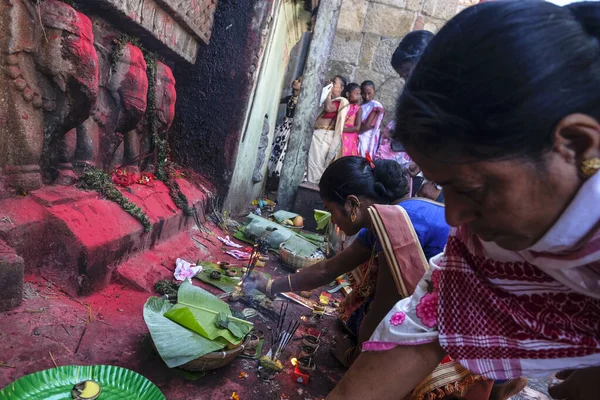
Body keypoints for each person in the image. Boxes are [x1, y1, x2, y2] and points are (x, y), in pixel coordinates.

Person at [327, 2, 600, 399]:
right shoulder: (483, 245)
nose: (454, 216)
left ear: (576, 145)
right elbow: (428, 322)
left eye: (471, 189)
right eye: (444, 187)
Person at [247, 157, 487, 399]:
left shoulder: (398, 223)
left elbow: (384, 310)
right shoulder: (386, 215)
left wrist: (355, 357)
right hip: (455, 305)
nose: (332, 221)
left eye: (331, 211)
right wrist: (270, 286)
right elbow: (327, 270)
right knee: (354, 318)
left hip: (475, 327)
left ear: (352, 204)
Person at [307, 75, 348, 183]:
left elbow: (328, 108)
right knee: (312, 162)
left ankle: (313, 185)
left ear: (341, 88)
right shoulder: (328, 99)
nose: (330, 83)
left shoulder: (342, 101)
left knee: (317, 163)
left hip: (324, 137)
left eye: (334, 82)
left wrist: (328, 94)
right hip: (318, 135)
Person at [267, 76, 302, 191]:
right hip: (283, 127)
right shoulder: (289, 98)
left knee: (284, 153)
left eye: (299, 81)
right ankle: (270, 179)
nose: (295, 81)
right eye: (296, 79)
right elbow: (276, 101)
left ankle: (278, 182)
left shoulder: (302, 102)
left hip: (292, 129)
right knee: (275, 151)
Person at [358, 81, 384, 158]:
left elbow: (368, 125)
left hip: (366, 136)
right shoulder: (360, 105)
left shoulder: (375, 105)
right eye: (363, 93)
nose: (366, 96)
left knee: (362, 155)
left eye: (369, 93)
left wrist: (355, 132)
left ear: (374, 91)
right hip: (359, 133)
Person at [342, 83, 362, 157]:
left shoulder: (358, 109)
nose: (359, 96)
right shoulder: (341, 104)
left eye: (359, 94)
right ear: (347, 94)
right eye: (356, 94)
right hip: (339, 135)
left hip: (350, 137)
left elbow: (357, 127)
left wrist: (340, 129)